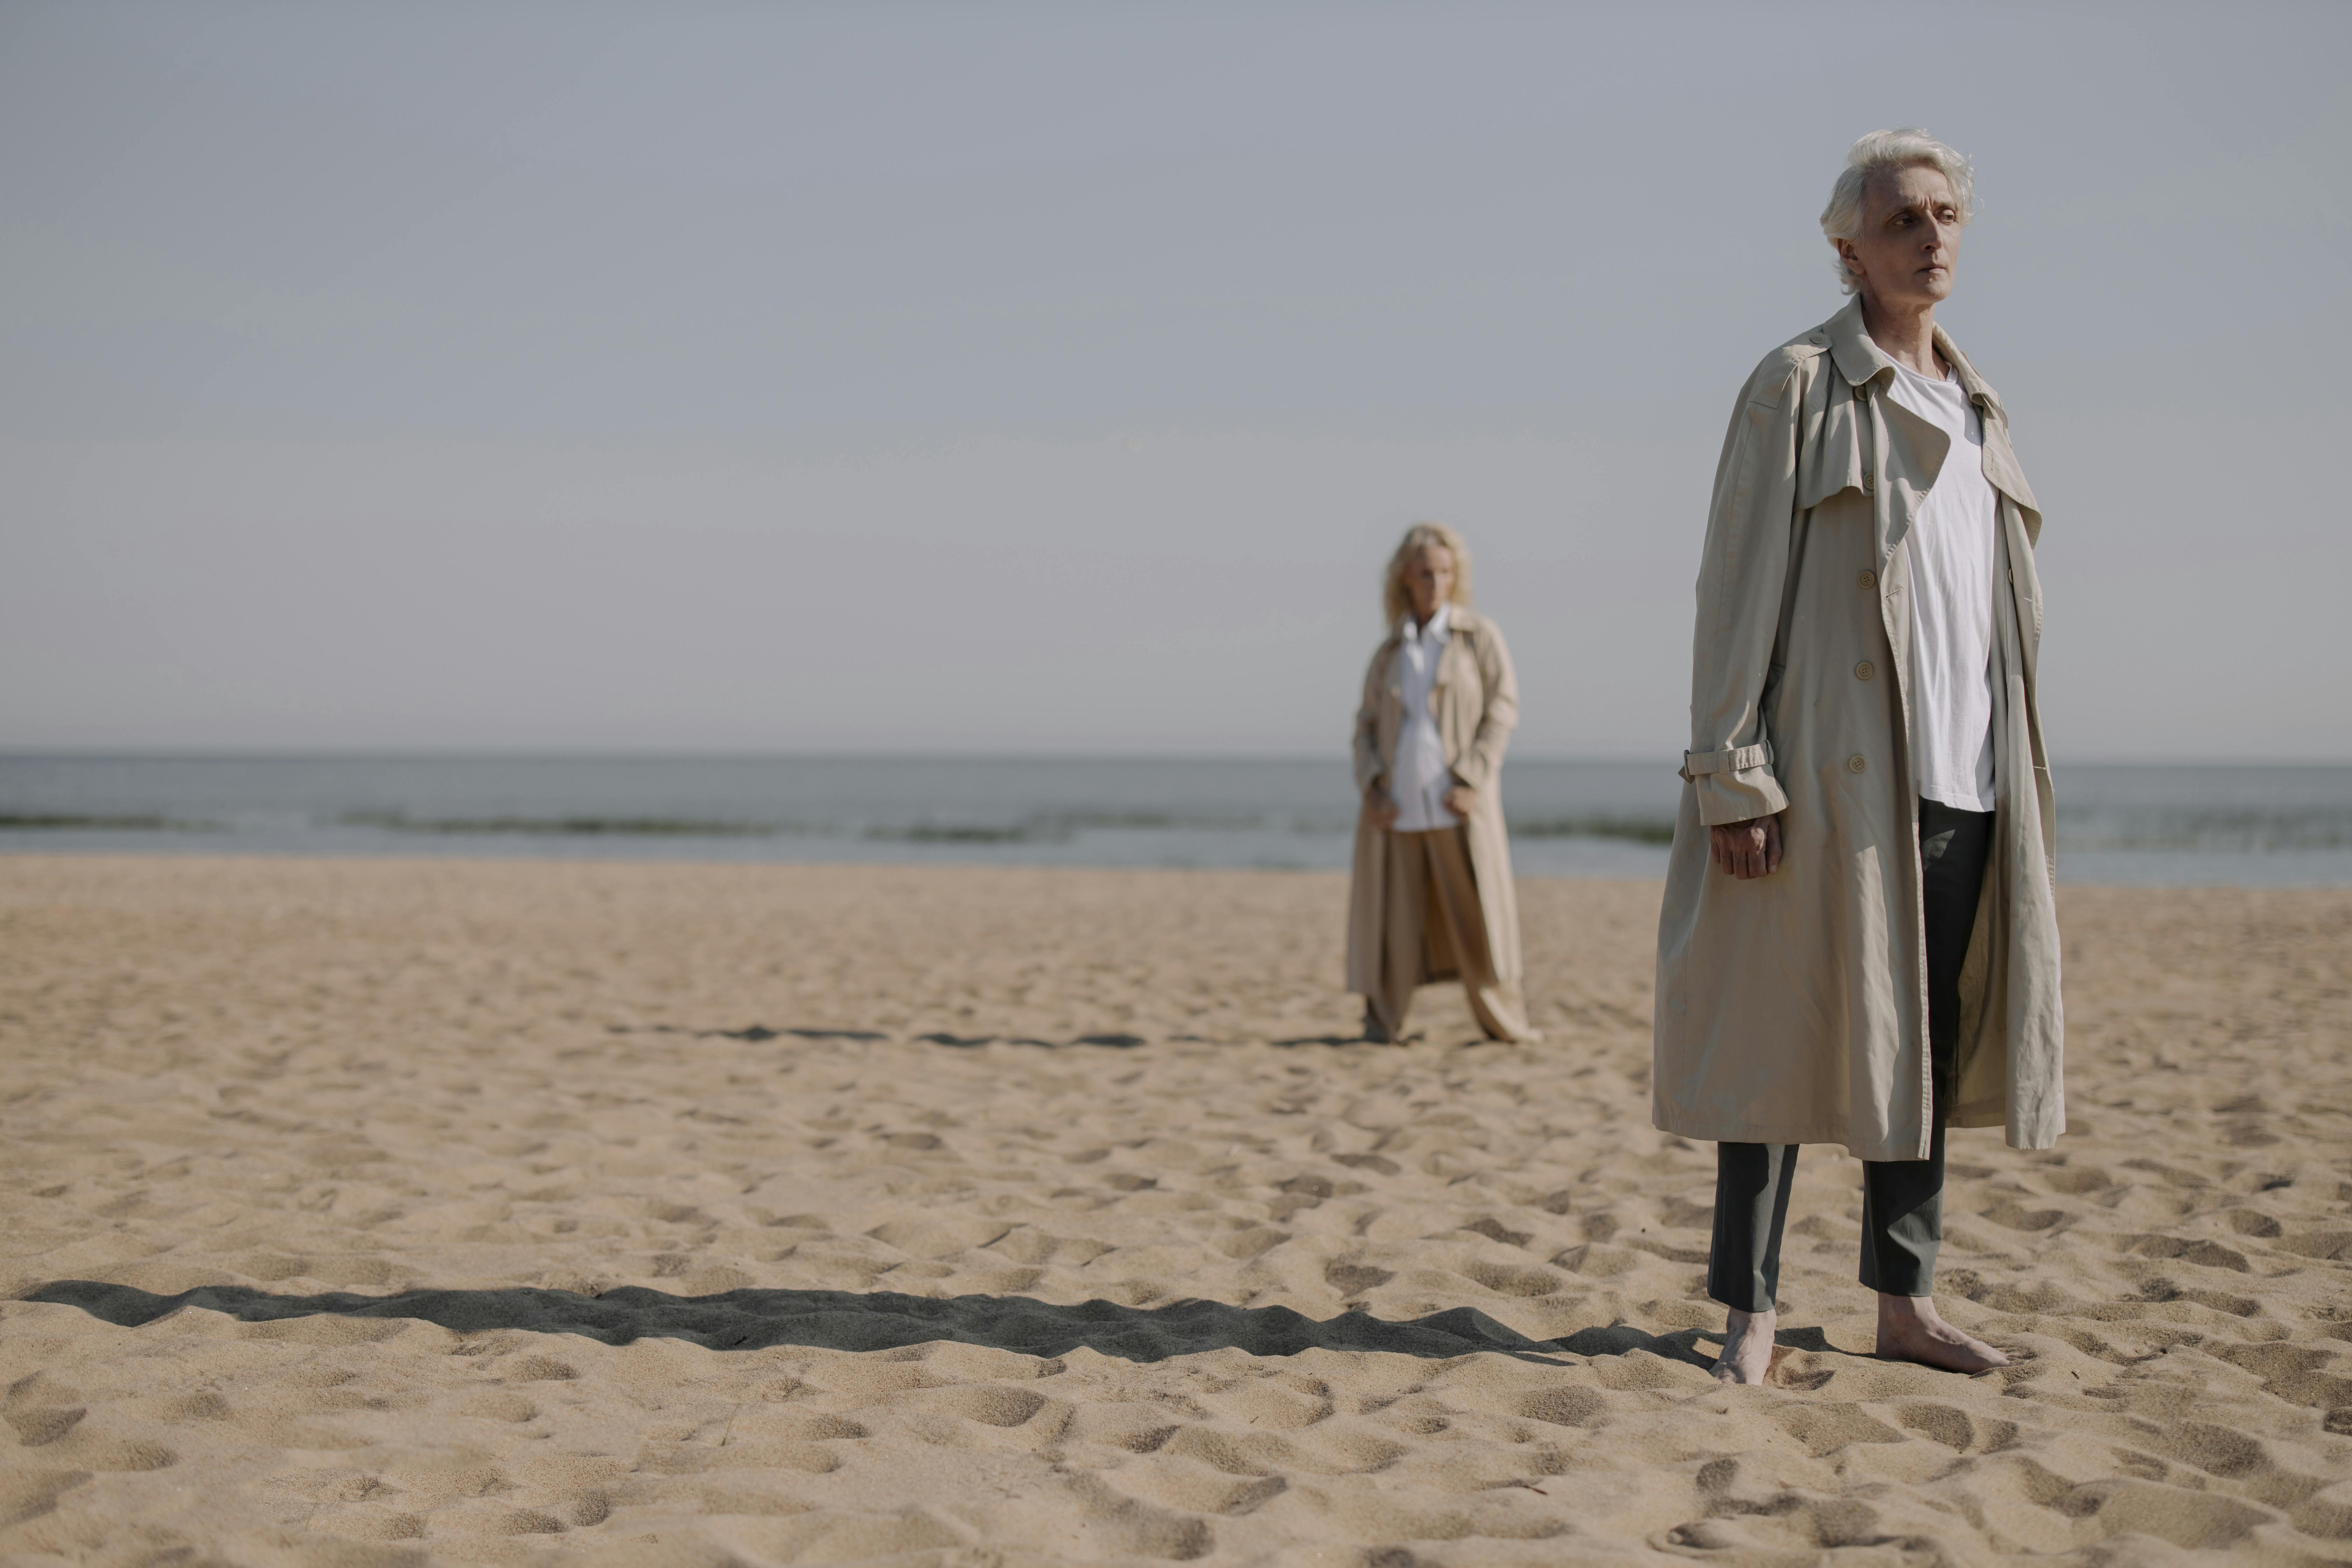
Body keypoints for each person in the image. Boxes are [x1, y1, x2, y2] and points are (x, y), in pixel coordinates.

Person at [1653, 130, 2063, 1383]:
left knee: (1923, 1055)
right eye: (1902, 221)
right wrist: (1734, 770)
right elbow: (1735, 593)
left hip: (1963, 780)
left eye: (1946, 217)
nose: (1930, 239)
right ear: (1849, 249)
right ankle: (1752, 1310)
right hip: (1825, 778)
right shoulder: (1797, 386)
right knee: (1779, 1041)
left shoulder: (1981, 405)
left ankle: (1904, 1302)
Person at [1346, 524, 1537, 1045]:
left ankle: (1506, 1024)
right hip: (1398, 809)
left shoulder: (1479, 638)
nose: (1437, 581)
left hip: (1457, 805)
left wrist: (1473, 778)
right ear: (1405, 577)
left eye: (1447, 572)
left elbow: (1503, 711)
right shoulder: (1389, 651)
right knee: (1394, 924)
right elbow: (1364, 728)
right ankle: (1382, 1026)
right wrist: (1372, 789)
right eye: (1427, 572)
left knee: (1479, 919)